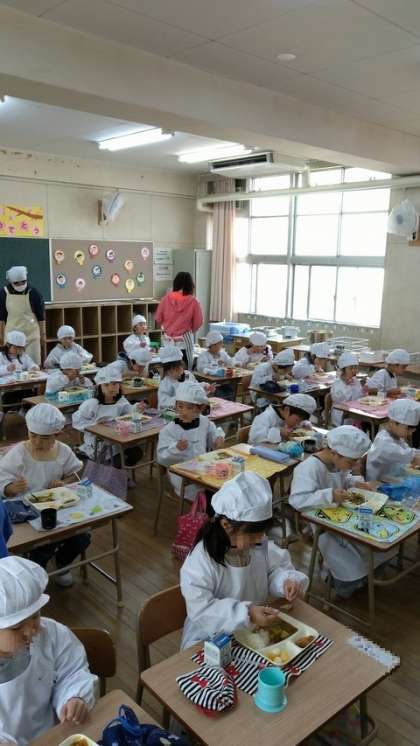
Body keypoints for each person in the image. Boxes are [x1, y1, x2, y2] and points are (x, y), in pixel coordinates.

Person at [180, 472, 308, 649]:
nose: (260, 540)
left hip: (252, 628)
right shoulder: (200, 562)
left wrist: (285, 582)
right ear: (226, 525)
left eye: (262, 534)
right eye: (253, 535)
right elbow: (202, 610)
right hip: (210, 637)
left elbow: (272, 570)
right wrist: (246, 613)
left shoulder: (257, 543)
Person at [0, 556, 97, 744]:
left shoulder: (51, 635)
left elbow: (73, 671)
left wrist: (74, 696)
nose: (31, 630)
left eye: (35, 616)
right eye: (16, 627)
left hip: (53, 735)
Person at [289, 426, 391, 597]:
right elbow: (297, 500)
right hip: (321, 525)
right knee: (350, 561)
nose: (355, 465)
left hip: (342, 516)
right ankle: (342, 583)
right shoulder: (308, 468)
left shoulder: (337, 463)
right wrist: (330, 495)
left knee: (378, 540)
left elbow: (344, 478)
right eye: (352, 462)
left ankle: (364, 576)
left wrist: (355, 482)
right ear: (335, 453)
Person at [0, 403, 87, 587]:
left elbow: (75, 473)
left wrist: (65, 482)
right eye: (33, 436)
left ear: (57, 435)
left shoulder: (63, 451)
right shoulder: (19, 453)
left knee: (82, 537)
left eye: (45, 438)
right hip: (26, 509)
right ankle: (36, 571)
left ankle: (62, 563)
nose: (38, 442)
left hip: (58, 506)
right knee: (43, 543)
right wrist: (10, 488)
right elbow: (2, 479)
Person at [157, 381, 225, 502]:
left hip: (204, 469)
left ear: (200, 408)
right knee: (214, 495)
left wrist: (217, 437)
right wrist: (176, 448)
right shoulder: (169, 429)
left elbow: (213, 430)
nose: (184, 412)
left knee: (223, 488)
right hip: (183, 477)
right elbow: (162, 457)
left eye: (189, 408)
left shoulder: (203, 421)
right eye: (180, 406)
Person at [72, 364, 145, 465]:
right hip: (98, 443)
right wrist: (94, 425)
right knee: (116, 461)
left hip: (116, 438)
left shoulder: (120, 400)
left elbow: (128, 412)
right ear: (99, 387)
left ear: (119, 386)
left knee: (137, 453)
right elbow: (77, 421)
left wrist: (137, 408)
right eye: (106, 385)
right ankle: (109, 470)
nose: (111, 388)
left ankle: (118, 471)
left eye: (115, 384)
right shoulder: (92, 404)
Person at [155, 272, 203, 370]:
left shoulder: (165, 299)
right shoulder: (193, 301)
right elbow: (198, 322)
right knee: (184, 370)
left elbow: (158, 318)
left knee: (169, 369)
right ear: (190, 285)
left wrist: (168, 326)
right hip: (184, 340)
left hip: (168, 341)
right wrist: (190, 330)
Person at [0, 266, 45, 367]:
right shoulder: (3, 293)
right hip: (12, 338)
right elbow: (1, 318)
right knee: (11, 367)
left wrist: (43, 335)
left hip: (31, 336)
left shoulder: (34, 293)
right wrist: (1, 336)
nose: (20, 285)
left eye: (23, 282)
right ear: (11, 281)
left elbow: (41, 317)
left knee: (33, 366)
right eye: (17, 283)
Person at [366, 399, 420, 481]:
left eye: (412, 430)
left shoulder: (396, 437)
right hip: (378, 484)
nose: (410, 433)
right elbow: (408, 455)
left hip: (392, 477)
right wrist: (415, 457)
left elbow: (409, 451)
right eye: (408, 429)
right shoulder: (383, 443)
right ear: (392, 423)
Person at [249, 393, 317, 445]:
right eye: (296, 420)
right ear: (287, 410)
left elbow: (301, 422)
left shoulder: (289, 416)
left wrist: (306, 424)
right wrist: (279, 432)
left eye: (300, 421)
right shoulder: (264, 417)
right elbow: (255, 438)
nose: (297, 424)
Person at [157, 346, 201, 413]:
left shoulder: (188, 375)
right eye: (170, 372)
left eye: (177, 369)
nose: (175, 373)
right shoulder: (165, 384)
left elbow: (197, 387)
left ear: (182, 366)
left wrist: (205, 388)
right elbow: (163, 404)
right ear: (166, 371)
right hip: (171, 414)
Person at [331, 351, 363, 426]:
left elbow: (359, 397)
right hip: (341, 417)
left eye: (355, 367)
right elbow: (342, 402)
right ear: (343, 369)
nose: (354, 370)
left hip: (354, 413)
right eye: (351, 368)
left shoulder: (355, 380)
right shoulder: (337, 384)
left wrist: (364, 391)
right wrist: (348, 386)